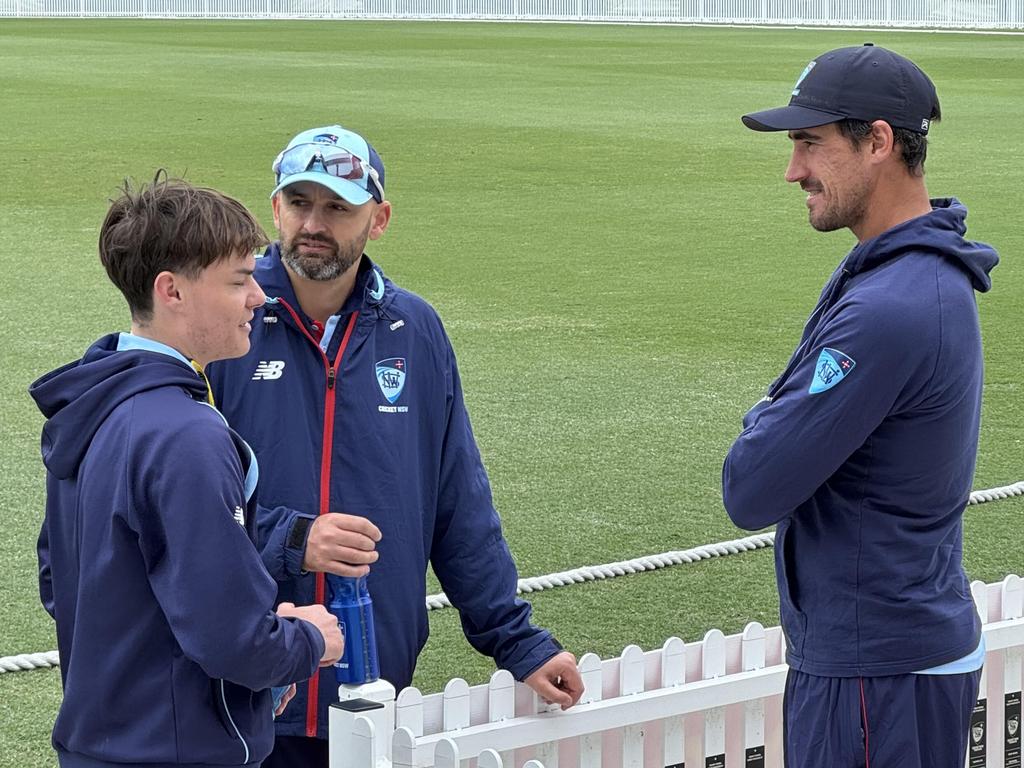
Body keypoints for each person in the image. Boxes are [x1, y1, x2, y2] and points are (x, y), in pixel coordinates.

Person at [205, 125, 584, 765]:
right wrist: (293, 539)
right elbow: (183, 507)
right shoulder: (226, 320)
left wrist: (518, 642)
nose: (313, 223)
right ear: (274, 209)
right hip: (243, 683)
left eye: (337, 208)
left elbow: (456, 501)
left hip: (373, 686)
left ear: (378, 219)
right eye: (298, 203)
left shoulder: (416, 330)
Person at [722, 44, 999, 768]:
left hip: (878, 674)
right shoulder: (908, 272)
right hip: (887, 658)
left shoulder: (890, 305)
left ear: (878, 141)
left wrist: (767, 413)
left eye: (810, 143)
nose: (792, 170)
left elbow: (750, 485)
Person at [30, 175, 344, 768]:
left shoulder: (95, 405)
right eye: (239, 280)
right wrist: (304, 641)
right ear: (171, 291)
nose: (259, 297)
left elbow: (62, 583)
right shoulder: (187, 434)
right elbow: (232, 640)